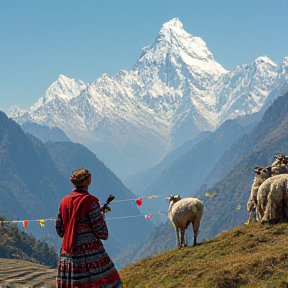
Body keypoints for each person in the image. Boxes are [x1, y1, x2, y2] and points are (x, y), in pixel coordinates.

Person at [55, 168, 123, 288]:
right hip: (91, 256)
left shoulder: (64, 202)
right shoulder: (91, 202)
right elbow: (100, 230)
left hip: (68, 255)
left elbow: (60, 230)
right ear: (88, 182)